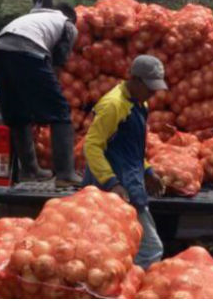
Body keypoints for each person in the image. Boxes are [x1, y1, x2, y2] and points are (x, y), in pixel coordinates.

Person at [0, 3, 82, 187]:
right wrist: (51, 94)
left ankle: (29, 170)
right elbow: (57, 63)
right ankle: (66, 173)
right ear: (72, 19)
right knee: (60, 110)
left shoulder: (33, 18)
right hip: (27, 50)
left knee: (17, 114)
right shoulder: (68, 24)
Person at [82, 54, 167, 269]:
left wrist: (148, 171)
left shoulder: (139, 102)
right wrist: (112, 183)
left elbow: (130, 149)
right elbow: (91, 146)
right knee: (150, 248)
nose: (154, 92)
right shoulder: (113, 105)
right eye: (150, 87)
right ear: (135, 79)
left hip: (130, 183)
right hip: (113, 187)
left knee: (119, 245)